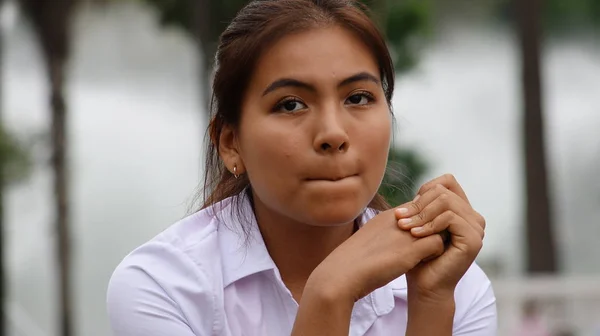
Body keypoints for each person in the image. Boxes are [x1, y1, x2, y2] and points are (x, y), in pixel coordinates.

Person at [106, 0, 497, 335]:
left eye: (358, 98)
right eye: (291, 104)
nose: (333, 133)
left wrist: (430, 304)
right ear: (230, 143)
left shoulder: (455, 285)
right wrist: (329, 292)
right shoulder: (163, 287)